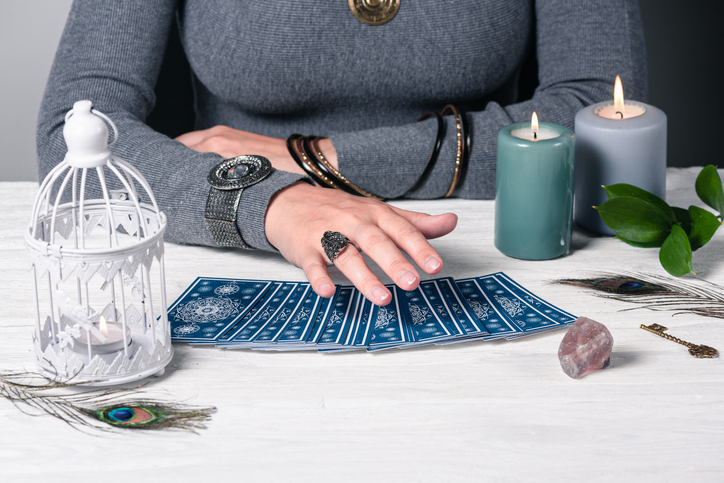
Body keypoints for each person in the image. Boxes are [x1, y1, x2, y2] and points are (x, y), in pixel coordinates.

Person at [37, 0, 647, 305]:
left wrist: (303, 158)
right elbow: (75, 128)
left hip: (496, 253)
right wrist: (270, 204)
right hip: (227, 260)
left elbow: (600, 109)